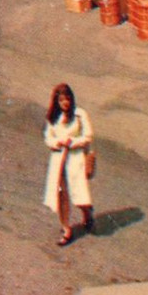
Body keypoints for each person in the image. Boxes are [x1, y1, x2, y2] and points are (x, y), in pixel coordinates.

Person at [41, 83, 93, 247]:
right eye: (61, 100)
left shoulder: (79, 114)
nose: (65, 103)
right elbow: (48, 137)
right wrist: (56, 143)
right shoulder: (53, 117)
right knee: (61, 194)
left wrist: (74, 142)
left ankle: (87, 212)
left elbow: (88, 135)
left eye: (68, 99)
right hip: (58, 160)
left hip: (75, 158)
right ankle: (66, 229)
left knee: (79, 194)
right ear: (56, 101)